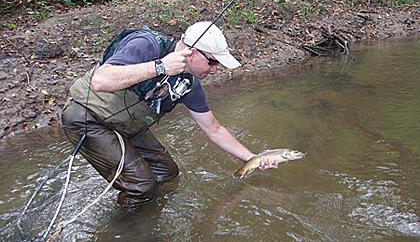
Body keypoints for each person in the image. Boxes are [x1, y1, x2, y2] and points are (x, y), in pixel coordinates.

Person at [61, 21, 280, 207]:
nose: (214, 70)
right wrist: (160, 67)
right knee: (142, 185)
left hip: (124, 125)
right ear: (192, 52)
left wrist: (253, 158)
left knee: (167, 173)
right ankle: (131, 230)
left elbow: (214, 129)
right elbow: (101, 80)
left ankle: (148, 211)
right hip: (87, 117)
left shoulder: (189, 85)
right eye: (212, 62)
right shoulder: (147, 44)